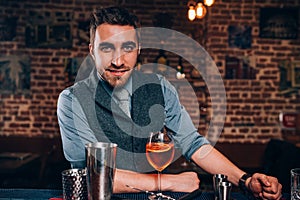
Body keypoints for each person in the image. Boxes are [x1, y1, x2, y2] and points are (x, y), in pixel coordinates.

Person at [57, 6, 282, 199]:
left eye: (127, 48)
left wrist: (245, 180)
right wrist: (166, 182)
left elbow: (193, 144)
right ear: (92, 52)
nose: (118, 60)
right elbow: (89, 177)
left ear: (138, 50)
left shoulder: (160, 86)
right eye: (107, 48)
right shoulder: (72, 100)